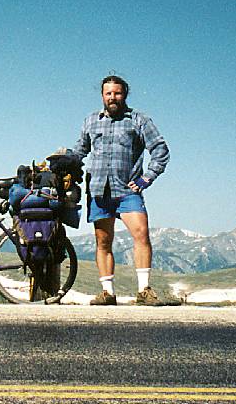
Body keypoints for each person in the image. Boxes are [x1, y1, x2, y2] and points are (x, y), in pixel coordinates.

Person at [73, 75, 170, 305]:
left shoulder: (139, 120)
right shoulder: (90, 121)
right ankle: (107, 293)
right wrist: (65, 161)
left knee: (141, 235)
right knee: (103, 242)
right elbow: (80, 149)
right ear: (102, 95)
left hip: (128, 190)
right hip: (99, 189)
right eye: (108, 93)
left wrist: (148, 177)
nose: (113, 97)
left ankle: (144, 291)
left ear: (124, 94)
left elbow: (160, 149)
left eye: (117, 93)